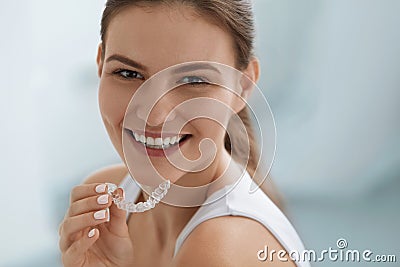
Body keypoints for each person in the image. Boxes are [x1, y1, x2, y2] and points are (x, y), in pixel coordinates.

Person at [58, 0, 309, 266]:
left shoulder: (220, 250)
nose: (155, 116)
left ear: (243, 88)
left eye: (193, 81)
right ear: (100, 65)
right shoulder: (107, 201)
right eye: (128, 73)